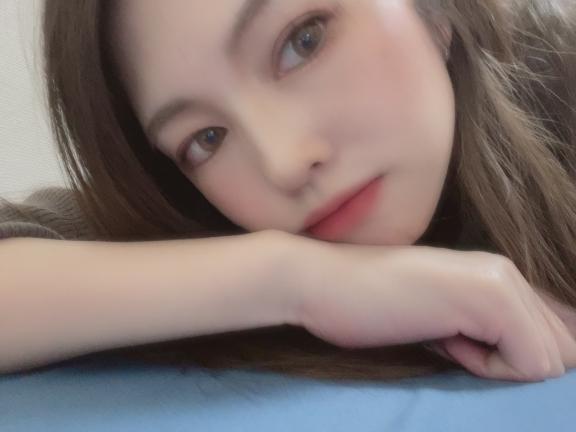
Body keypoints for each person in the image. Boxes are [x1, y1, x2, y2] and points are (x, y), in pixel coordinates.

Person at [1, 0, 576, 382]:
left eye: (304, 40)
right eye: (205, 139)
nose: (283, 163)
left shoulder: (561, 75)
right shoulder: (193, 221)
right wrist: (295, 281)